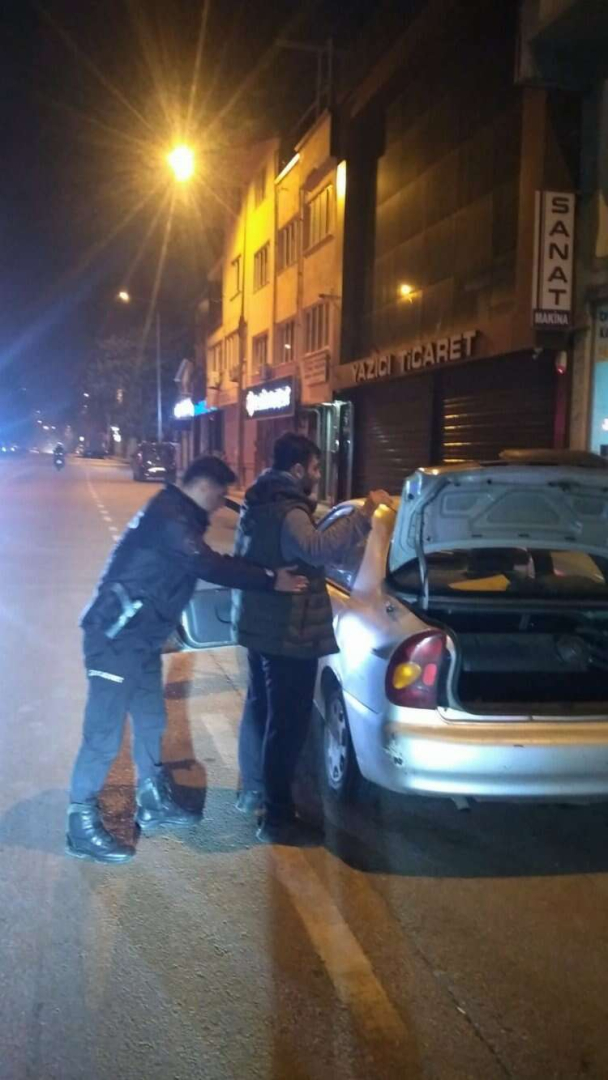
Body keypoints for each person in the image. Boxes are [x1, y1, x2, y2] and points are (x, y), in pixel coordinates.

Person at [67, 455, 306, 864]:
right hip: (114, 637)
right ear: (204, 487)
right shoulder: (171, 518)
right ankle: (79, 823)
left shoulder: (178, 514)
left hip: (141, 639)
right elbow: (207, 563)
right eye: (219, 495)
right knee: (103, 735)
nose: (219, 505)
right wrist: (270, 579)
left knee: (151, 720)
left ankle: (152, 800)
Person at [232, 433, 392, 845]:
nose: (319, 476)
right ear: (298, 468)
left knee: (263, 714)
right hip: (289, 633)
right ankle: (277, 818)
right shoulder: (288, 510)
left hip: (263, 627)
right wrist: (365, 513)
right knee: (286, 728)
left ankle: (256, 793)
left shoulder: (260, 500)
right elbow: (318, 549)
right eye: (317, 468)